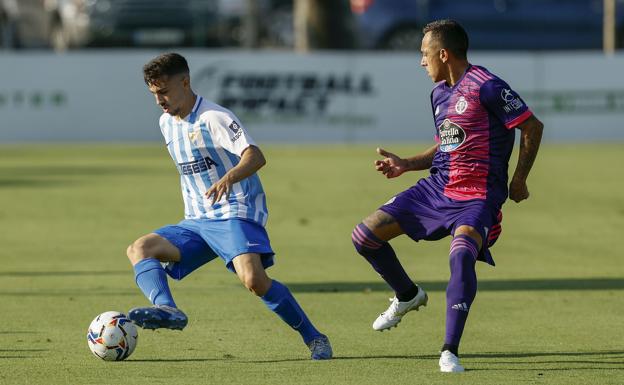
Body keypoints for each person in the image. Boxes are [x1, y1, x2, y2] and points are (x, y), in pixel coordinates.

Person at [351, 19, 543, 372]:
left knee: (460, 257)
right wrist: (406, 164)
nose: (422, 62)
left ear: (443, 53)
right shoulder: (439, 93)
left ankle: (449, 351)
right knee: (365, 236)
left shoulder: (487, 86)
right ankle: (408, 295)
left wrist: (519, 179)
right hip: (437, 189)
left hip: (477, 195)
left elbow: (531, 125)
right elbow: (447, 144)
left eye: (424, 54)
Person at [126, 52, 332, 360]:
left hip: (234, 211)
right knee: (139, 249)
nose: (160, 100)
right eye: (155, 94)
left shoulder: (214, 117)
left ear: (185, 82)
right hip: (196, 221)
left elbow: (255, 156)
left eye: (165, 91)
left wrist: (229, 177)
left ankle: (315, 338)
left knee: (254, 281)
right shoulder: (166, 123)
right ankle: (167, 308)